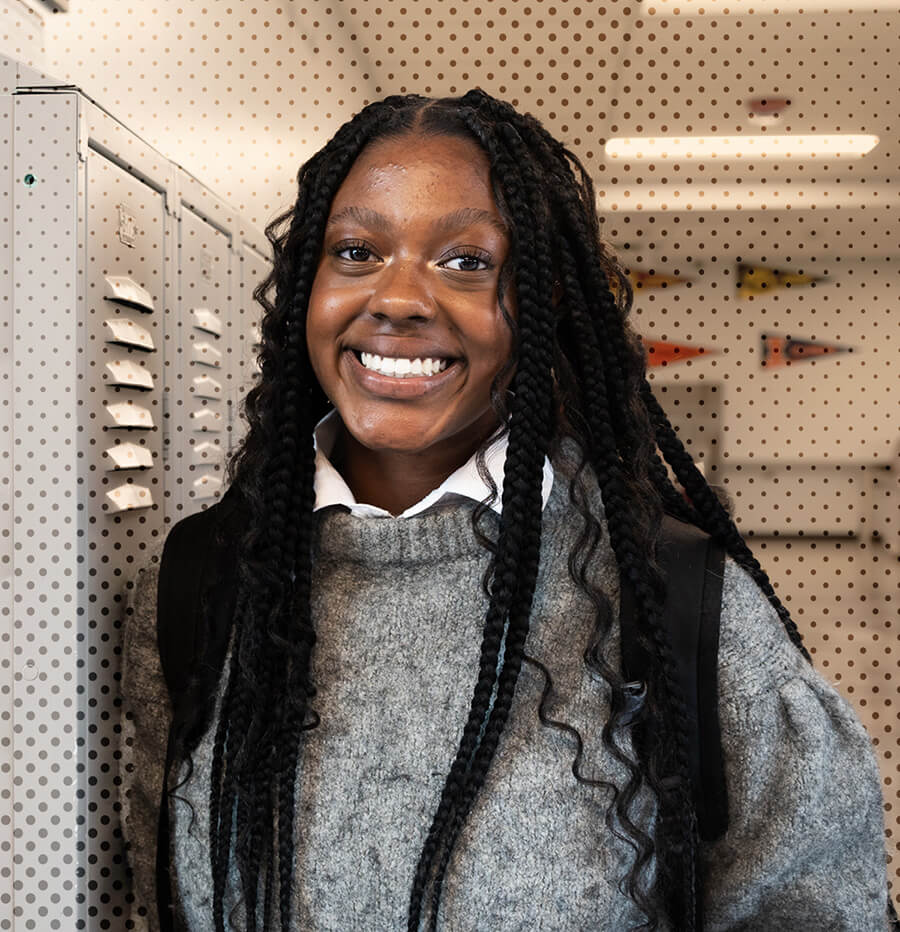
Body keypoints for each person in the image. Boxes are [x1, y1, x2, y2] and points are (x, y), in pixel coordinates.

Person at [118, 90, 894, 931]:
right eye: (355, 251)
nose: (400, 298)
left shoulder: (678, 608)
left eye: (466, 262)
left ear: (543, 304)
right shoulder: (206, 583)